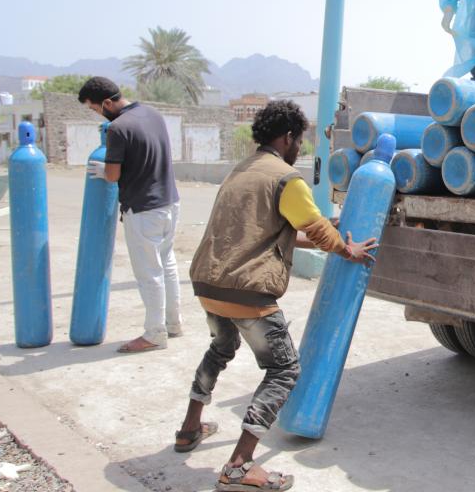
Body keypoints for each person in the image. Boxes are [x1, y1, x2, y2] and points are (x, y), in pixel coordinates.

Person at [176, 100, 376, 492]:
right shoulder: (285, 178)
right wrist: (345, 248)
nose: (299, 147)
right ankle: (239, 464)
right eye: (298, 140)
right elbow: (314, 228)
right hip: (246, 290)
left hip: (209, 283)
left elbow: (276, 233)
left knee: (221, 347)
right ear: (287, 138)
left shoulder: (240, 172)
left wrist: (325, 231)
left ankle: (188, 428)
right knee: (284, 369)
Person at [78, 76, 182, 353]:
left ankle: (154, 334)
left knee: (149, 273)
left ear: (107, 102)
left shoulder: (117, 128)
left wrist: (103, 170)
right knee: (167, 263)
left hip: (144, 209)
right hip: (170, 202)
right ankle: (174, 323)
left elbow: (112, 176)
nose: (96, 113)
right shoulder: (152, 114)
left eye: (94, 108)